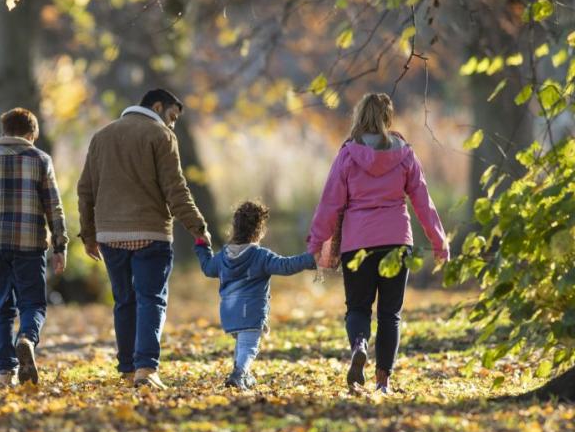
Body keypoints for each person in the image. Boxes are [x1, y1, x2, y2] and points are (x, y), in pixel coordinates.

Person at [307, 93, 449, 393]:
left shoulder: (348, 154)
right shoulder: (405, 153)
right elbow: (423, 201)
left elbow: (329, 203)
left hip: (357, 243)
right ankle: (383, 382)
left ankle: (359, 342)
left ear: (360, 116)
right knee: (390, 314)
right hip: (397, 241)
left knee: (357, 308)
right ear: (387, 118)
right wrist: (439, 240)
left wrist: (316, 243)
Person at [77, 88, 210, 390]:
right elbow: (175, 189)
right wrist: (197, 226)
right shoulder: (161, 136)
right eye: (172, 117)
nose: (172, 124)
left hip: (110, 235)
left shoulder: (102, 136)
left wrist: (88, 234)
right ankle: (146, 369)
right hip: (150, 234)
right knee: (151, 299)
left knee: (124, 300)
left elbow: (85, 190)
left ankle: (126, 370)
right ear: (158, 106)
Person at [0, 108, 68, 387]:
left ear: (4, 131)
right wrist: (60, 245)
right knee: (32, 303)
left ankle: (5, 372)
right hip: (29, 243)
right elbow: (53, 206)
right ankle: (27, 338)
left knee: (0, 307)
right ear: (32, 133)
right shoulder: (40, 159)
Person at [194, 201, 316, 390]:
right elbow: (286, 265)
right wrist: (312, 259)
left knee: (242, 345)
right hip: (251, 311)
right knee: (249, 347)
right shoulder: (260, 256)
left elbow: (208, 268)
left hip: (229, 312)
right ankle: (239, 373)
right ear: (259, 231)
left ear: (234, 228)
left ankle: (244, 375)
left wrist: (202, 246)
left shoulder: (223, 256)